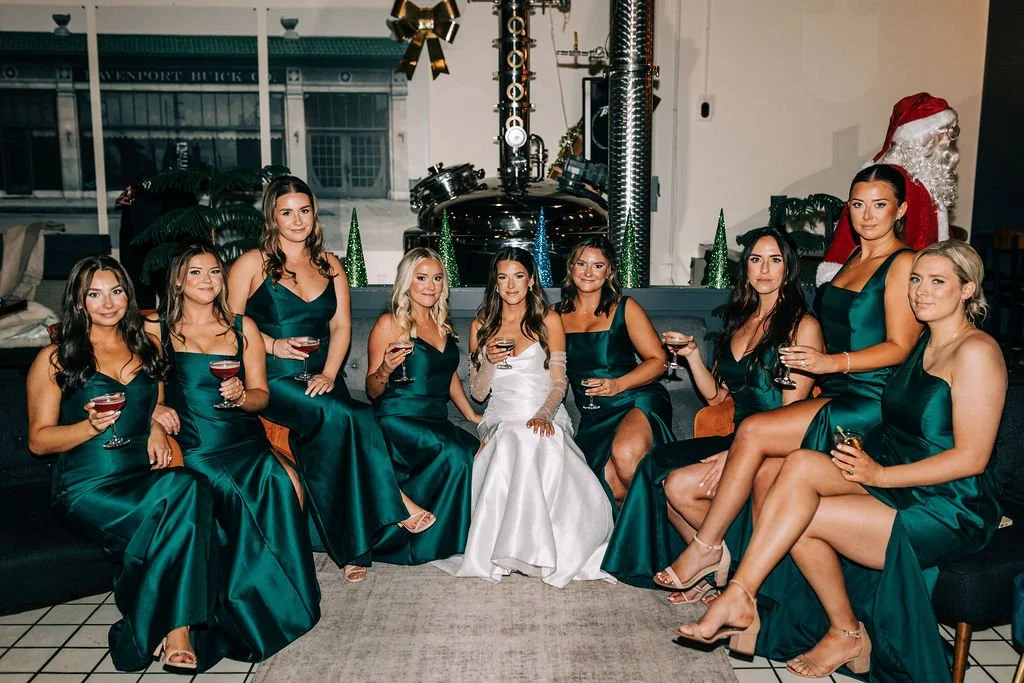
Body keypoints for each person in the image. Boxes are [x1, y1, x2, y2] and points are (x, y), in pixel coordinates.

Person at [675, 240, 1005, 682]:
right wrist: (869, 458)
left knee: (801, 514)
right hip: (899, 477)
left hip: (948, 502)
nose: (920, 291)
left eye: (937, 281)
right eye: (915, 280)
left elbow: (973, 458)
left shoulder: (977, 352)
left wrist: (880, 473)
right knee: (798, 468)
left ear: (967, 290)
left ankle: (829, 624)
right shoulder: (923, 343)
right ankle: (750, 596)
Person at [656, 164, 923, 598]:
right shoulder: (856, 258)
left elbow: (901, 348)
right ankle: (733, 574)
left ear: (900, 209)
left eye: (879, 205)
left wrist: (831, 363)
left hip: (873, 399)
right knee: (738, 451)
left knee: (757, 431)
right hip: (839, 390)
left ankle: (708, 548)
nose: (867, 216)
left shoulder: (902, 262)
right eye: (858, 205)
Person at [227, 175, 432, 583]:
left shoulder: (329, 264)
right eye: (287, 212)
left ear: (314, 213)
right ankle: (397, 502)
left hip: (322, 379)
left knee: (342, 430)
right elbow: (228, 324)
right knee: (353, 417)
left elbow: (340, 328)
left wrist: (328, 372)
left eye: (304, 210)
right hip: (275, 380)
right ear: (272, 216)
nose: (297, 220)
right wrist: (270, 346)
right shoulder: (252, 263)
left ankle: (353, 550)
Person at [601, 229, 821, 599]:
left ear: (789, 267)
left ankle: (728, 565)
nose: (764, 269)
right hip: (735, 433)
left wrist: (738, 455)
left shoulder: (803, 326)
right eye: (755, 259)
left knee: (677, 485)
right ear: (745, 268)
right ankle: (715, 561)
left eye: (774, 260)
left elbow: (793, 416)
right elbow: (717, 396)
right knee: (655, 466)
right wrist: (690, 356)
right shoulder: (740, 320)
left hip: (771, 443)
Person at [26, 256, 213, 674]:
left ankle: (155, 631)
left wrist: (156, 426)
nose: (107, 303)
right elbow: (39, 440)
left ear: (128, 296)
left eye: (116, 291)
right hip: (85, 487)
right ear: (78, 300)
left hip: (137, 475)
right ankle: (172, 630)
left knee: (191, 487)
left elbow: (155, 402)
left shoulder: (147, 347)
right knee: (182, 507)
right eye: (94, 294)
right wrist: (88, 426)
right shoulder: (56, 359)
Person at [148, 244, 319, 665]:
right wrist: (154, 411)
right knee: (224, 491)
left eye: (214, 272)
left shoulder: (243, 328)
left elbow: (261, 396)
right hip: (198, 447)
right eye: (195, 273)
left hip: (243, 438)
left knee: (278, 482)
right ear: (178, 281)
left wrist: (243, 396)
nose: (207, 280)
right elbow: (143, 388)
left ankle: (283, 603)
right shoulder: (161, 329)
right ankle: (232, 610)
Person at [432, 247, 614, 587]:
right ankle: (508, 547)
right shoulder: (481, 324)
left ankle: (547, 547)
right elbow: (480, 393)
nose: (510, 285)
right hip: (501, 414)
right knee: (513, 436)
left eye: (518, 276)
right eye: (502, 277)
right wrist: (487, 359)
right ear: (495, 284)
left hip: (543, 409)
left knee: (534, 435)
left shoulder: (548, 319)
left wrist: (545, 414)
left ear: (531, 281)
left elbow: (559, 382)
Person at [365, 247, 477, 564]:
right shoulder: (391, 323)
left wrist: (470, 414)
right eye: (422, 278)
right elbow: (373, 390)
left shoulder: (442, 323)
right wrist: (385, 368)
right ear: (407, 282)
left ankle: (453, 537)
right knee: (454, 455)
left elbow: (448, 373)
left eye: (437, 278)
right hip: (397, 418)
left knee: (476, 452)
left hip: (434, 419)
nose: (430, 286)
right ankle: (422, 542)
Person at [557, 236, 674, 507]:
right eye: (581, 264)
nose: (588, 272)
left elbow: (659, 361)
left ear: (609, 271)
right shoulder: (554, 315)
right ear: (571, 267)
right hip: (595, 413)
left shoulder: (625, 307)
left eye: (597, 265)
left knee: (625, 455)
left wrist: (619, 385)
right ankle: (643, 539)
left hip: (635, 397)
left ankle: (686, 524)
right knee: (609, 488)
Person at [818, 93, 959, 285]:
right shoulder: (895, 180)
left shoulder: (925, 182)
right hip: (891, 279)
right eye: (939, 135)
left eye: (950, 134)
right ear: (916, 138)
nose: (946, 142)